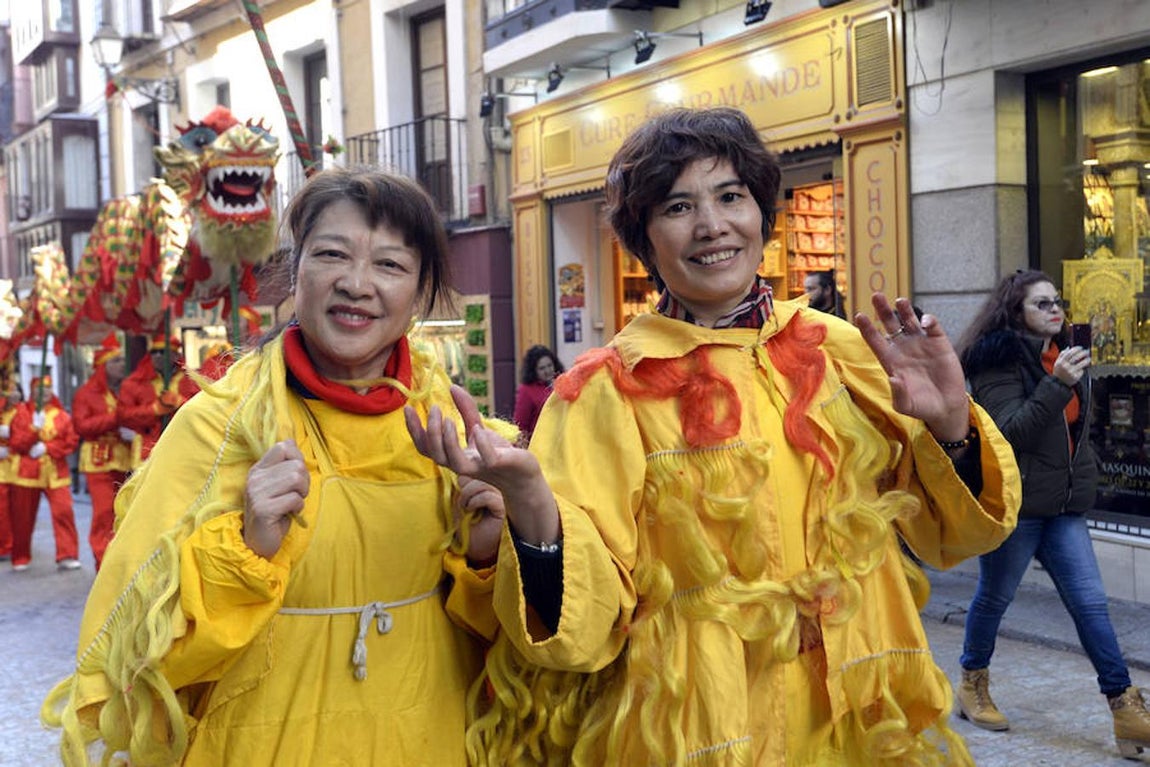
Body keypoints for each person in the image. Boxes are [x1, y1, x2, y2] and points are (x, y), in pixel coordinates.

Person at [406, 107, 1022, 766]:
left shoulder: (839, 349)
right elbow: (583, 629)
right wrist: (532, 505)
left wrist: (952, 425)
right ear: (644, 237)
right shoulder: (603, 392)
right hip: (698, 729)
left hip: (858, 723)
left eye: (731, 196)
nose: (712, 225)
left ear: (761, 213)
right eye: (678, 206)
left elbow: (956, 536)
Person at [42, 167, 511, 766]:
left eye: (390, 265)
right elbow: (133, 655)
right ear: (295, 272)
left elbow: (519, 651)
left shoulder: (455, 435)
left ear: (421, 292)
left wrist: (488, 549)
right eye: (331, 255)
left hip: (424, 741)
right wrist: (246, 550)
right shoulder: (219, 425)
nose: (357, 283)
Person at [954, 269, 1150, 756]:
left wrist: (1087, 466)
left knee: (1090, 605)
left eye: (1056, 301)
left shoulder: (1059, 356)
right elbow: (1010, 432)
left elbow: (1073, 430)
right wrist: (1058, 384)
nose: (1055, 309)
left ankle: (1126, 710)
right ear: (1014, 312)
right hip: (1018, 508)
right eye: (1041, 304)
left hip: (1063, 507)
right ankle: (972, 683)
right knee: (994, 600)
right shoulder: (996, 362)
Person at [71, 333, 133, 570]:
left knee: (124, 512)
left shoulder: (126, 390)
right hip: (98, 461)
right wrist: (115, 419)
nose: (121, 365)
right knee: (104, 513)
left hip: (125, 459)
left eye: (121, 360)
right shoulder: (86, 394)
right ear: (102, 367)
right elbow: (82, 427)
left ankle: (119, 563)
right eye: (115, 361)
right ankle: (103, 564)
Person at [8, 375, 81, 571]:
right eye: (40, 389)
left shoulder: (62, 416)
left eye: (48, 388)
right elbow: (16, 442)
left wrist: (48, 448)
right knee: (22, 516)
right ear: (32, 391)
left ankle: (67, 554)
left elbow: (71, 441)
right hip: (26, 473)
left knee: (63, 511)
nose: (44, 392)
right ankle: (21, 556)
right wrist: (33, 429)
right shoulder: (22, 413)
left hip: (56, 472)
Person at [116, 333, 200, 464]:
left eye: (163, 352)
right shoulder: (134, 383)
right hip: (148, 452)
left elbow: (203, 411)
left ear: (176, 355)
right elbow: (123, 416)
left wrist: (181, 403)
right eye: (154, 352)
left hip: (186, 448)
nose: (158, 356)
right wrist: (154, 410)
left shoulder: (192, 380)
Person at [512, 344, 564, 443]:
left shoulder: (561, 383)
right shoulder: (526, 390)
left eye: (550, 365)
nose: (547, 371)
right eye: (542, 368)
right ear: (533, 371)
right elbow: (521, 424)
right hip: (538, 444)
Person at [0, 385, 19, 561]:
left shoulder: (22, 412)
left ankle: (17, 544)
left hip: (19, 466)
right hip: (2, 469)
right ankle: (4, 544)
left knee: (18, 508)